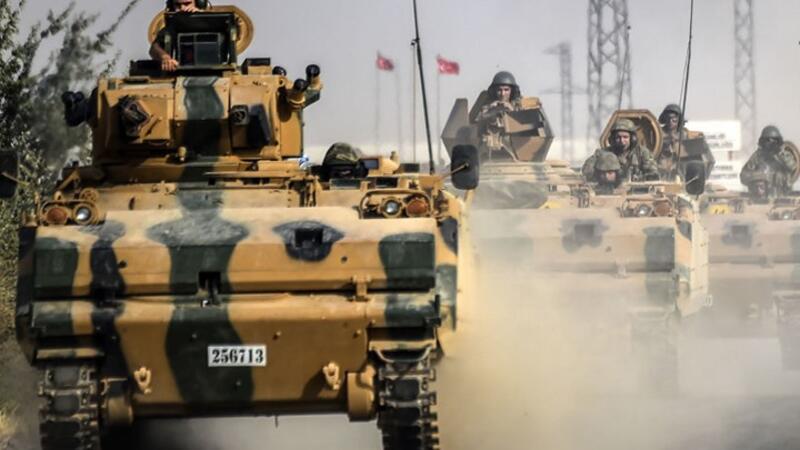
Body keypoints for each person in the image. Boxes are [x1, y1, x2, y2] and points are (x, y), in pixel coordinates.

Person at [582, 118, 659, 183]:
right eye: (618, 137)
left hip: (637, 191)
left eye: (625, 137)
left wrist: (640, 178)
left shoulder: (642, 153)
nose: (621, 140)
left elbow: (654, 174)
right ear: (612, 139)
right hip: (609, 191)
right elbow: (587, 171)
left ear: (632, 139)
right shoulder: (603, 153)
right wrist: (602, 176)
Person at [656, 103, 715, 180]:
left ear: (679, 119)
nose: (670, 121)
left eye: (674, 119)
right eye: (668, 118)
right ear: (664, 118)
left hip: (684, 178)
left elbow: (710, 160)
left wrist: (703, 179)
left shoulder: (687, 136)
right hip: (661, 175)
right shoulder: (657, 135)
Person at [474, 71, 523, 161]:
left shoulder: (519, 106)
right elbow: (477, 121)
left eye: (506, 90)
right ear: (494, 91)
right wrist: (492, 111)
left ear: (512, 91)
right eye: (499, 90)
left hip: (515, 148)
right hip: (488, 150)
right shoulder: (488, 106)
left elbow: (525, 125)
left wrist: (511, 110)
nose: (502, 94)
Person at [740, 126, 798, 197]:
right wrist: (758, 177)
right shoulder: (758, 156)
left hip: (782, 198)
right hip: (760, 198)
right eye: (768, 140)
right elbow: (743, 176)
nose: (771, 143)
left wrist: (779, 154)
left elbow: (792, 167)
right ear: (763, 142)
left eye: (774, 141)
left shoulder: (784, 155)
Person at [149, 0, 203, 72]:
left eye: (187, 3)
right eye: (178, 5)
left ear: (198, 3)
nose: (182, 8)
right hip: (180, 71)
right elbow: (154, 48)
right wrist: (164, 57)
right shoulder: (171, 27)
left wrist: (201, 18)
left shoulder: (212, 22)